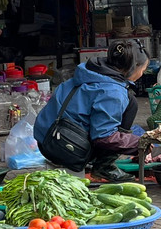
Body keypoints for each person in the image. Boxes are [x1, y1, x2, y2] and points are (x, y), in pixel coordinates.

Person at [34, 39, 148, 173]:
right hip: (61, 147)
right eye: (143, 69)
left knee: (131, 102)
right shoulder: (113, 91)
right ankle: (103, 167)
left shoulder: (91, 71)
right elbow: (103, 136)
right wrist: (140, 143)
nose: (142, 74)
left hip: (46, 138)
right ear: (134, 67)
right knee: (127, 111)